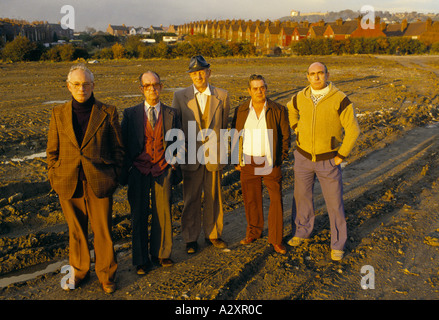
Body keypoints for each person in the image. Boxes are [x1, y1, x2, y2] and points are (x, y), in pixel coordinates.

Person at [46, 64, 124, 294]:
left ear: (93, 86)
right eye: (77, 84)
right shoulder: (58, 113)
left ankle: (106, 275)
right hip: (68, 182)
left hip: (99, 181)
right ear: (69, 87)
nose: (82, 89)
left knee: (103, 231)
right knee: (76, 232)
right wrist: (54, 176)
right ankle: (79, 272)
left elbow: (119, 149)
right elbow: (52, 151)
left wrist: (114, 176)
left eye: (86, 84)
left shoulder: (108, 112)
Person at [286, 62, 360, 261]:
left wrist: (341, 155)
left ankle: (338, 243)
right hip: (302, 157)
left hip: (328, 160)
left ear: (327, 75)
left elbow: (353, 130)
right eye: (312, 74)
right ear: (307, 76)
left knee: (334, 203)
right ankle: (301, 231)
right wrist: (297, 128)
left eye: (320, 73)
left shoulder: (340, 99)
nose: (316, 77)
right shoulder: (300, 97)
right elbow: (290, 110)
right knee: (302, 197)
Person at [121, 71, 181, 274]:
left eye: (155, 85)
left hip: (162, 169)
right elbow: (124, 144)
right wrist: (129, 168)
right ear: (141, 89)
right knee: (139, 214)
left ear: (161, 87)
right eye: (147, 86)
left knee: (163, 213)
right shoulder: (130, 114)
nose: (152, 89)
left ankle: (161, 254)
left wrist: (173, 163)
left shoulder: (172, 113)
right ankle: (140, 260)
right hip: (138, 170)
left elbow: (178, 141)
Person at [171, 55, 230, 254]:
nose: (198, 76)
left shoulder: (222, 95)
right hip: (190, 155)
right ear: (190, 76)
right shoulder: (180, 96)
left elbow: (224, 126)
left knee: (214, 196)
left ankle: (213, 234)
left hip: (214, 154)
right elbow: (176, 128)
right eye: (194, 73)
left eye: (201, 72)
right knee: (191, 198)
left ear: (208, 72)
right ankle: (190, 238)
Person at [231, 75, 291, 254]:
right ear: (249, 91)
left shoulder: (278, 109)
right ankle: (254, 232)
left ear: (266, 88)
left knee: (275, 200)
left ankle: (276, 239)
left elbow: (285, 137)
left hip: (270, 161)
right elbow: (235, 135)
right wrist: (236, 158)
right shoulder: (241, 110)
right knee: (251, 199)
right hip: (248, 160)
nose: (259, 91)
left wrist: (279, 159)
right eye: (255, 88)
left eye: (262, 87)